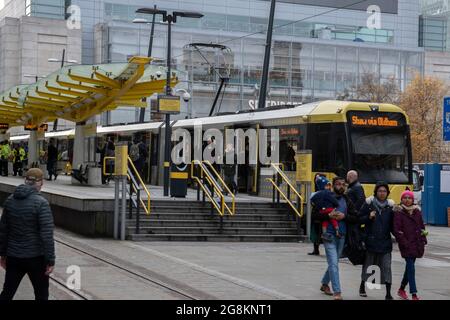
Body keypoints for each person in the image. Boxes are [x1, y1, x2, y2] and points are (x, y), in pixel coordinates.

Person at [0, 168, 55, 300]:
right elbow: (47, 235)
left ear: (25, 181)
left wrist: (2, 254)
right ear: (40, 183)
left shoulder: (10, 200)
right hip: (36, 258)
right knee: (41, 294)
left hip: (14, 256)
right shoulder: (42, 203)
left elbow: (3, 230)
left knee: (7, 292)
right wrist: (50, 260)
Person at [313, 176, 360, 300]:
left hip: (342, 236)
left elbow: (356, 217)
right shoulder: (325, 198)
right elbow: (314, 215)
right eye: (338, 184)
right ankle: (337, 292)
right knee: (334, 263)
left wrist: (344, 216)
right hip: (328, 235)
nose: (341, 186)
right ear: (333, 186)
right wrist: (328, 215)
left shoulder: (347, 200)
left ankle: (324, 283)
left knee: (334, 263)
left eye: (343, 184)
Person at [358, 181, 395, 300]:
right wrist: (368, 217)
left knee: (387, 267)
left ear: (387, 193)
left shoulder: (390, 207)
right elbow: (359, 219)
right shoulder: (369, 204)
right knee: (368, 265)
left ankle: (388, 293)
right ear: (376, 192)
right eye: (380, 191)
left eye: (384, 191)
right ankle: (362, 285)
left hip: (385, 243)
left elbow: (394, 226)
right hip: (371, 241)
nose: (382, 193)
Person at [393, 190, 427, 300]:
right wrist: (404, 242)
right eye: (405, 198)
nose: (407, 200)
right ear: (401, 199)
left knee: (409, 269)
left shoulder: (417, 212)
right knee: (411, 268)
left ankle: (401, 289)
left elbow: (422, 227)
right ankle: (414, 294)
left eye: (409, 198)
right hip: (406, 245)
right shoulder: (399, 212)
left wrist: (423, 239)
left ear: (413, 200)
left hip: (417, 244)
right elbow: (397, 230)